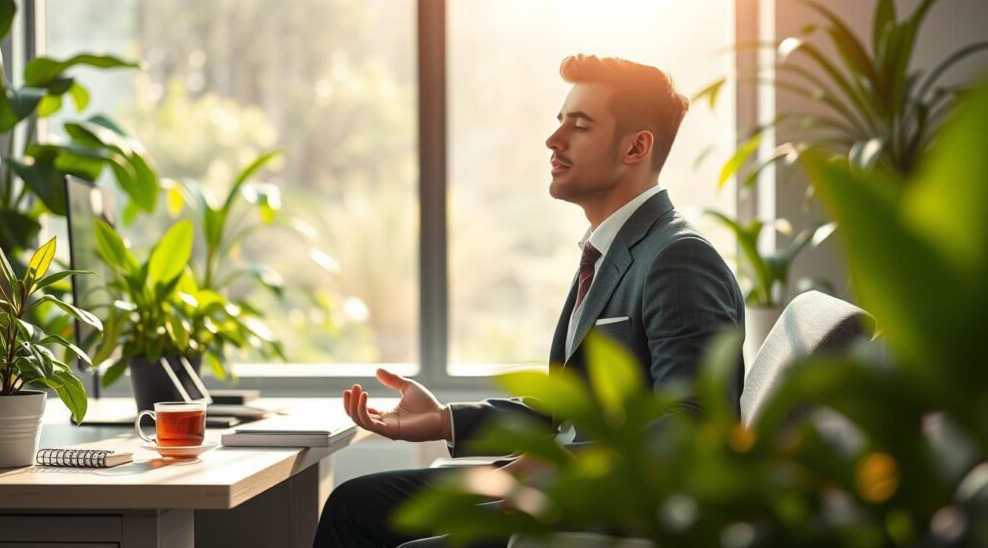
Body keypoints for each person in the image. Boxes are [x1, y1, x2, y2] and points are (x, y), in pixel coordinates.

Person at [313, 54, 745, 548]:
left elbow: (694, 427)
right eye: (560, 122)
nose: (553, 140)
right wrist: (443, 420)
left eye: (578, 126)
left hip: (602, 509)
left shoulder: (679, 259)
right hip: (549, 483)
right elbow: (567, 411)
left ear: (636, 147)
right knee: (353, 505)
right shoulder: (608, 249)